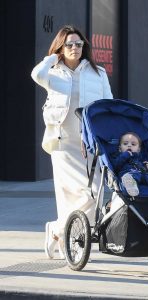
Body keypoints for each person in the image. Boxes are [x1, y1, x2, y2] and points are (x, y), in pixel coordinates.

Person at [31, 25, 113, 259]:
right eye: (69, 45)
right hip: (63, 141)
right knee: (67, 194)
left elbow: (108, 104)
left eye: (79, 44)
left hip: (90, 143)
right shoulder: (53, 72)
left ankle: (57, 230)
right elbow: (36, 75)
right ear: (61, 48)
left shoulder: (98, 73)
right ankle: (69, 242)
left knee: (93, 193)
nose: (75, 48)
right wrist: (51, 59)